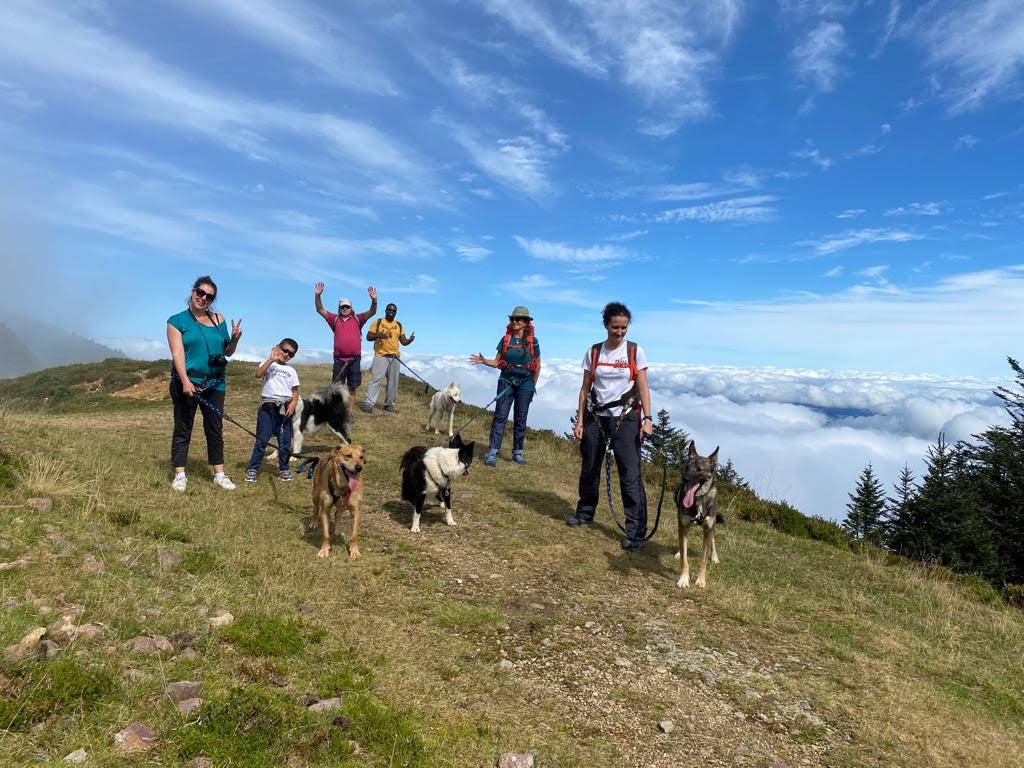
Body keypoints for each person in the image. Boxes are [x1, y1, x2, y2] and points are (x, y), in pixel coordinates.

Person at [568, 301, 653, 550]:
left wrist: (647, 419)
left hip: (626, 417)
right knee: (589, 466)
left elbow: (643, 387)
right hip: (596, 416)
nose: (620, 332)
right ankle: (584, 513)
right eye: (615, 327)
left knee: (630, 474)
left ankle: (636, 532)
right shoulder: (594, 352)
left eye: (624, 327)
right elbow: (585, 388)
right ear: (606, 325)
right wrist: (580, 420)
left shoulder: (635, 351)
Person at [166, 275, 243, 492]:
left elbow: (227, 352)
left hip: (215, 383)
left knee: (215, 428)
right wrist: (185, 381)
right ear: (193, 291)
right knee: (183, 427)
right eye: (200, 293)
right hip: (188, 382)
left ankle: (219, 474)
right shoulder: (176, 321)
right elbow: (177, 354)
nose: (203, 298)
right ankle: (180, 474)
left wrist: (235, 339)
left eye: (209, 296)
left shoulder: (219, 319)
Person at [470, 306, 541, 467]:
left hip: (526, 383)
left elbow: (537, 365)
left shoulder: (533, 342)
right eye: (513, 319)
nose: (515, 321)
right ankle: (492, 452)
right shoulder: (506, 339)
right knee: (500, 416)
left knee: (520, 418)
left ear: (526, 322)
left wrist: (533, 385)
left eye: (519, 319)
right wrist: (484, 361)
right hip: (506, 381)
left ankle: (517, 453)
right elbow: (497, 362)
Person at [244, 339, 301, 483]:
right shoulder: (269, 364)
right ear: (277, 347)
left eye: (291, 354)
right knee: (262, 439)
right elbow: (258, 374)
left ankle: (284, 468)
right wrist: (270, 360)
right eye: (285, 350)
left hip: (285, 410)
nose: (286, 354)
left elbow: (295, 390)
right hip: (268, 408)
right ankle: (253, 468)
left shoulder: (291, 371)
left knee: (285, 441)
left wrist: (293, 403)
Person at [314, 283, 376, 414]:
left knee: (352, 386)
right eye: (342, 307)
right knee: (338, 387)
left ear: (351, 308)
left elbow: (372, 312)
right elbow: (319, 309)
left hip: (354, 359)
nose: (345, 308)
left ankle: (349, 412)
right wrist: (318, 295)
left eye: (347, 306)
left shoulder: (358, 319)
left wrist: (374, 300)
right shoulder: (334, 319)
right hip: (339, 359)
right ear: (339, 308)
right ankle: (338, 410)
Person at [361, 302, 415, 414]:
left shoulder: (399, 325)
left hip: (395, 357)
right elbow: (368, 336)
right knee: (376, 380)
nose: (391, 312)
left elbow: (403, 341)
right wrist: (378, 335)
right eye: (389, 310)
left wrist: (409, 340)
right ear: (385, 311)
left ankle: (389, 406)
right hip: (381, 355)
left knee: (393, 383)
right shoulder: (378, 322)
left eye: (393, 311)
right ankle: (368, 403)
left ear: (396, 313)